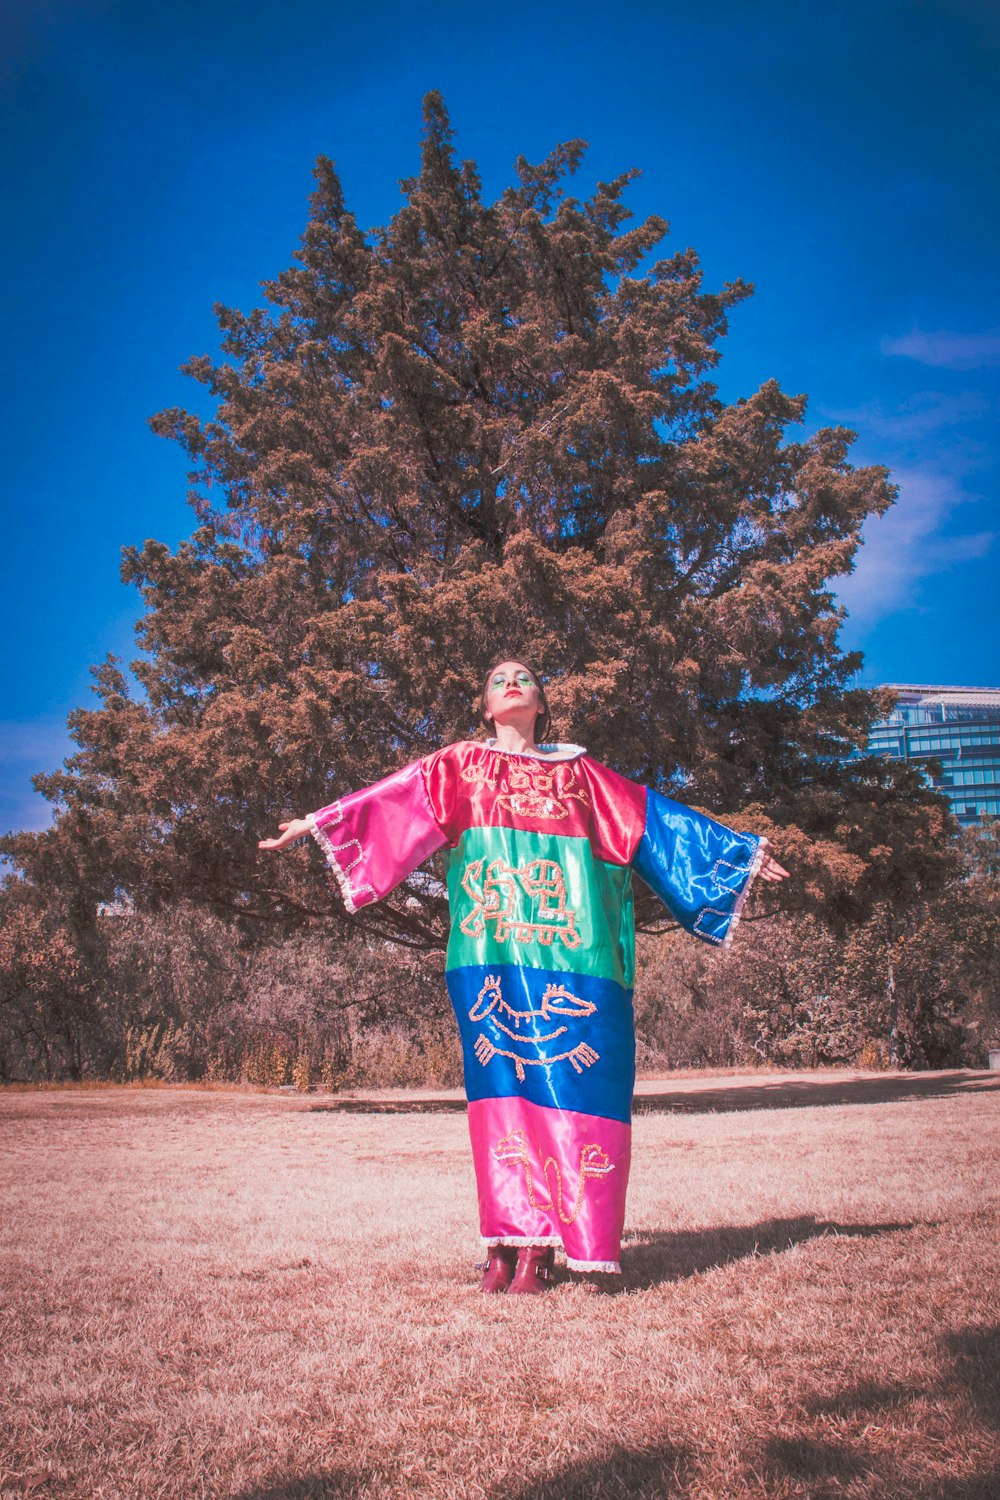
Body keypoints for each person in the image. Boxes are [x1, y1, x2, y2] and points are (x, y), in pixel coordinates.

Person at [259, 661, 789, 1294]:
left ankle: (542, 1247)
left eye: (525, 677)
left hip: (572, 960)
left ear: (541, 703)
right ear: (486, 707)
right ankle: (503, 1246)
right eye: (497, 679)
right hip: (490, 953)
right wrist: (318, 823)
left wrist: (733, 859)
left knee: (564, 1086)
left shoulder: (583, 777)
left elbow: (658, 826)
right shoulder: (456, 767)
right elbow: (392, 801)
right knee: (500, 1088)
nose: (511, 681)